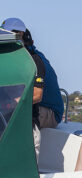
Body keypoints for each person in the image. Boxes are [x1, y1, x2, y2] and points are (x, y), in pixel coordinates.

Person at [2, 18, 64, 129]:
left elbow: (36, 95)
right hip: (31, 105)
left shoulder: (33, 59)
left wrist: (8, 105)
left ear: (20, 35)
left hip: (48, 111)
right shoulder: (17, 58)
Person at [1, 18, 45, 157]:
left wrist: (10, 104)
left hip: (26, 124)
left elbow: (37, 94)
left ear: (20, 35)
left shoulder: (34, 61)